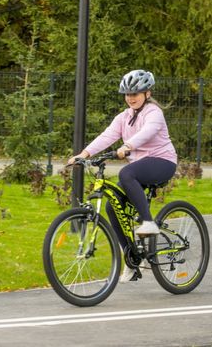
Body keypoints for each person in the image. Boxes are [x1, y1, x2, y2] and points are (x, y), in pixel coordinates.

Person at [68, 69, 177, 282]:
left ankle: (148, 223)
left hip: (162, 162)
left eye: (135, 94)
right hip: (140, 167)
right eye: (127, 94)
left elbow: (148, 132)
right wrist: (84, 154)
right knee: (112, 205)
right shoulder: (124, 117)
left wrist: (127, 146)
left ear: (147, 93)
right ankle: (132, 261)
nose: (130, 98)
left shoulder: (154, 112)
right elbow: (107, 135)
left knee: (126, 172)